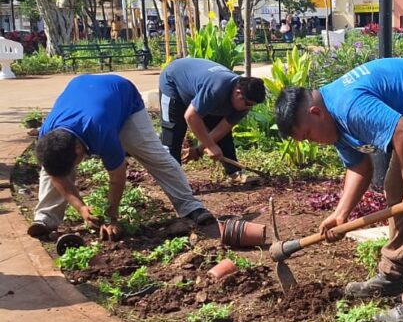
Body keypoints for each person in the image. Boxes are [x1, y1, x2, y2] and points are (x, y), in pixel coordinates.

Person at [275, 58, 403, 322]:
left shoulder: (348, 107)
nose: (315, 142)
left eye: (310, 135)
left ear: (315, 112)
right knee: (395, 188)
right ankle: (395, 273)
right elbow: (359, 167)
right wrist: (341, 215)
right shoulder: (331, 118)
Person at [28, 74, 214, 240]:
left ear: (78, 148)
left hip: (123, 96)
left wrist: (111, 217)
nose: (70, 171)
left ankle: (191, 206)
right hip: (83, 89)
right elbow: (56, 175)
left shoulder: (101, 131)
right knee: (51, 168)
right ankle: (45, 219)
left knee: (154, 155)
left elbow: (117, 177)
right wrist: (81, 208)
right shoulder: (48, 137)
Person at [159, 57, 266, 184]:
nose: (249, 108)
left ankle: (234, 172)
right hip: (173, 81)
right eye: (248, 104)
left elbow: (223, 128)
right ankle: (173, 180)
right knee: (173, 133)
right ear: (238, 93)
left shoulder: (244, 103)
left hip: (199, 92)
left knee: (223, 136)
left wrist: (199, 150)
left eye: (252, 105)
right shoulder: (216, 89)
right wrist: (210, 145)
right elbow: (191, 116)